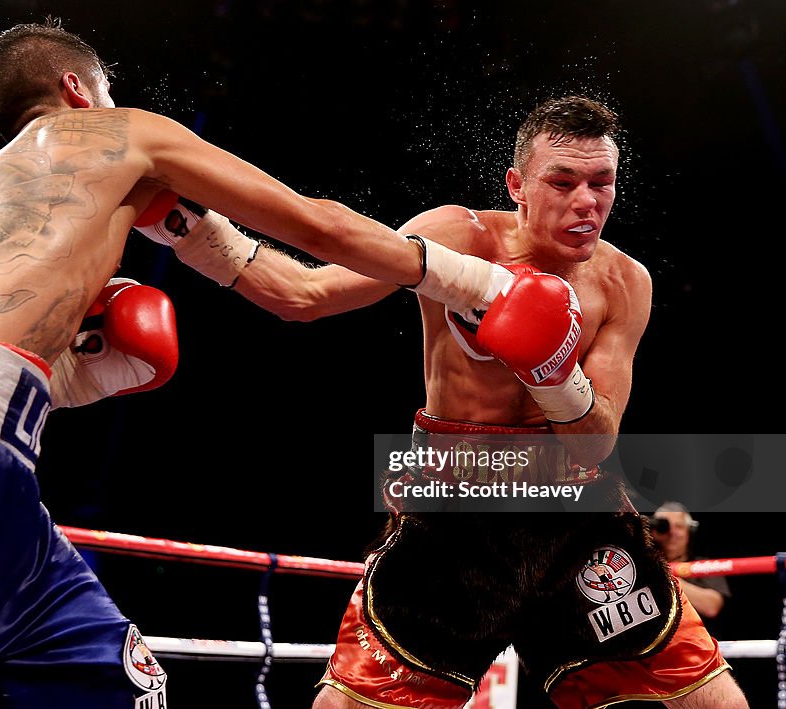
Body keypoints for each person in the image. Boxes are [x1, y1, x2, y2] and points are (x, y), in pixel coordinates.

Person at [0, 19, 516, 708]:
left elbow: (296, 292)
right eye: (109, 92)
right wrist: (477, 281)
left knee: (125, 689)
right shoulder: (117, 134)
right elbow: (316, 222)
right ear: (78, 89)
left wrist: (58, 381)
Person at [137, 96, 749, 707]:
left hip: (577, 521)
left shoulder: (623, 282)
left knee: (715, 703)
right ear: (518, 185)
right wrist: (181, 226)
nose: (586, 202)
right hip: (454, 511)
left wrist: (552, 371)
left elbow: (598, 440)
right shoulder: (456, 240)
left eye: (602, 182)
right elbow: (306, 293)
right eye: (562, 182)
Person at [651, 502, 731, 622]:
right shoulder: (644, 567)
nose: (672, 532)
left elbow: (711, 606)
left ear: (689, 532)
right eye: (664, 527)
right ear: (654, 532)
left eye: (679, 526)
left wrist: (667, 575)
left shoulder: (704, 565)